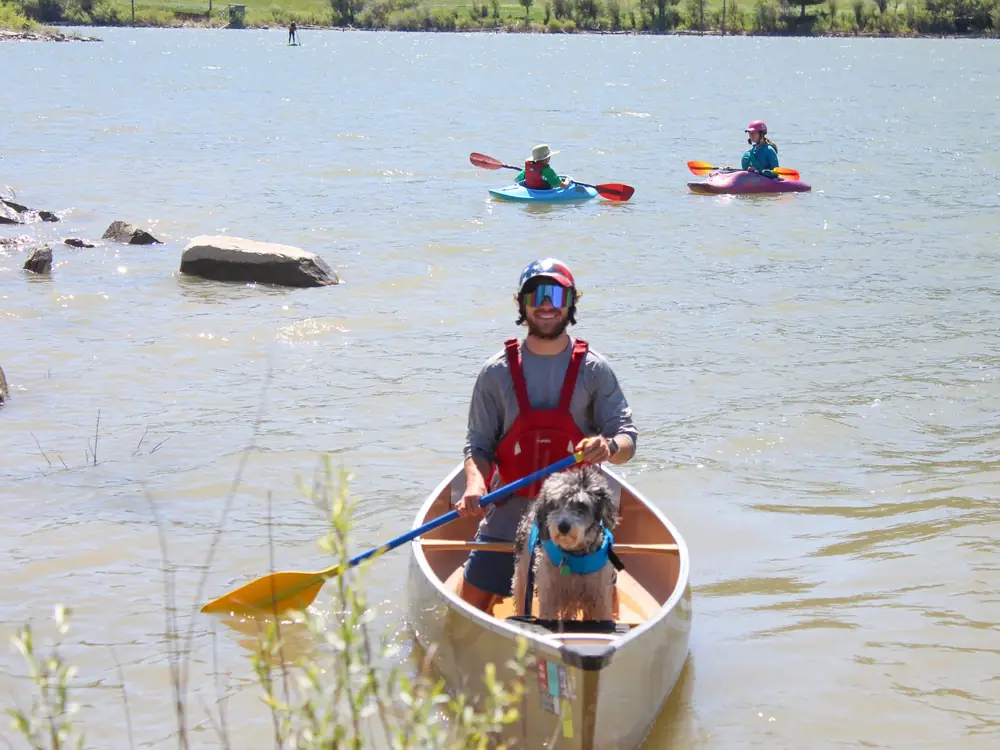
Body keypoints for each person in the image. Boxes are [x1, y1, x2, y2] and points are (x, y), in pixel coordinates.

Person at [455, 258, 638, 614]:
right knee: (468, 604)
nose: (546, 304)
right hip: (510, 510)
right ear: (521, 304)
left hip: (580, 515)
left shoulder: (594, 370)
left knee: (606, 609)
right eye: (535, 294)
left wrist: (609, 447)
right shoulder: (496, 372)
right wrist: (476, 485)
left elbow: (627, 441)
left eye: (556, 294)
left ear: (570, 303)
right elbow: (477, 446)